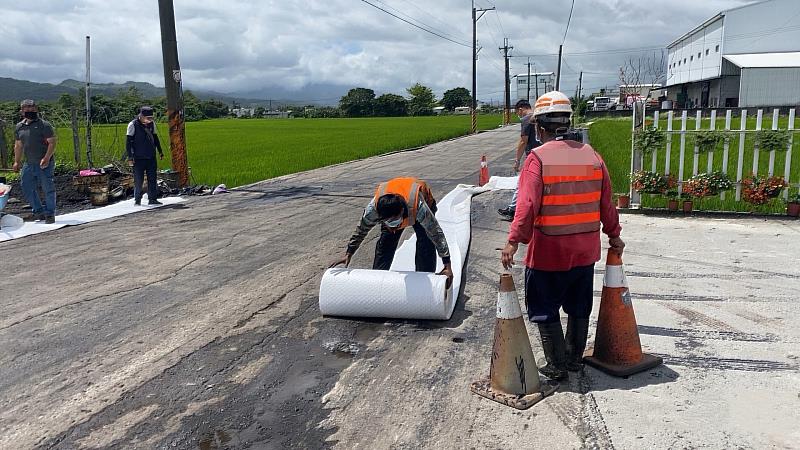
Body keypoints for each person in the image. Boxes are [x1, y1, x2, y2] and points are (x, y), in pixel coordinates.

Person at [500, 91, 625, 381]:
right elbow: (606, 203)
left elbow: (527, 206)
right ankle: (573, 361)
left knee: (544, 309)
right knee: (579, 307)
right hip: (584, 251)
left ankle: (556, 365)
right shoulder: (593, 157)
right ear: (567, 122)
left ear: (539, 126)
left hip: (548, 253)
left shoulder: (538, 159)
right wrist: (614, 235)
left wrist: (513, 241)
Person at [331, 177, 454, 288]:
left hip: (422, 200)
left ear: (401, 211)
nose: (393, 224)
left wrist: (447, 266)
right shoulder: (373, 211)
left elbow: (436, 234)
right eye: (387, 221)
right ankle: (377, 281)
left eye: (394, 220)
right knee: (385, 244)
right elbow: (361, 230)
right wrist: (349, 253)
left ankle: (422, 285)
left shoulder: (419, 207)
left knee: (426, 243)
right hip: (393, 209)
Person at [13, 99, 57, 224]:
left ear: (36, 109)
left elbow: (52, 142)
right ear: (22, 111)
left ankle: (50, 214)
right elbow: (18, 145)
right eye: (26, 109)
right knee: (26, 186)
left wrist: (47, 157)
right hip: (29, 163)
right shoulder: (19, 127)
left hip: (44, 162)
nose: (29, 110)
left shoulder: (44, 125)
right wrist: (17, 162)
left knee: (47, 187)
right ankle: (38, 212)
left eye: (32, 108)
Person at [498, 99, 541, 221]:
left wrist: (517, 160)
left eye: (518, 112)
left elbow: (523, 141)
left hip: (533, 157)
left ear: (521, 109)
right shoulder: (538, 116)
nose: (518, 115)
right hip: (544, 154)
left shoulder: (527, 119)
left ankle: (513, 210)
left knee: (521, 184)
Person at [126, 106, 164, 205]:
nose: (150, 120)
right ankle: (137, 200)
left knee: (152, 178)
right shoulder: (132, 125)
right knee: (139, 180)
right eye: (148, 118)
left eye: (151, 118)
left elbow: (155, 138)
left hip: (151, 156)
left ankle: (152, 199)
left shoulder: (152, 124)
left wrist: (160, 151)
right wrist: (130, 157)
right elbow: (128, 142)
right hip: (138, 158)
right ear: (141, 116)